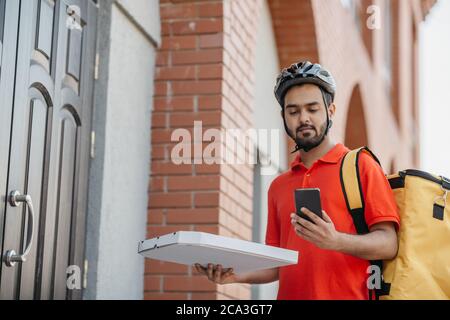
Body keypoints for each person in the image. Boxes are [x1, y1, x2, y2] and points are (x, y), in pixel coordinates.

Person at [195, 61, 400, 300]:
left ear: (330, 111)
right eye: (293, 111)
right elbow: (278, 262)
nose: (303, 118)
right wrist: (236, 275)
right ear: (283, 116)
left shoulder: (360, 165)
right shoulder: (278, 186)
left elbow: (388, 243)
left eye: (312, 109)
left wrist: (335, 241)